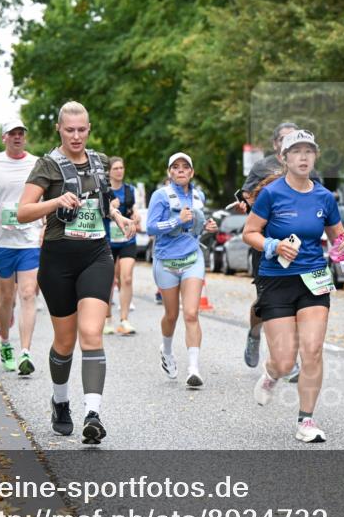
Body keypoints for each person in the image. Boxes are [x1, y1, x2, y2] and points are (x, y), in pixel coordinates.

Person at [17, 101, 135, 444]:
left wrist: (118, 217)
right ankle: (60, 401)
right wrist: (56, 202)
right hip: (58, 261)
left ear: (89, 128)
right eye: (69, 130)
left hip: (97, 256)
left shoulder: (99, 162)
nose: (76, 136)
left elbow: (104, 200)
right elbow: (23, 211)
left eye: (82, 129)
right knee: (65, 342)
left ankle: (92, 414)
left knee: (91, 333)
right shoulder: (48, 165)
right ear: (59, 129)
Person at [242, 130, 344, 443]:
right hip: (276, 280)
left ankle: (306, 420)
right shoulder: (271, 194)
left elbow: (338, 237)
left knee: (312, 350)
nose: (303, 157)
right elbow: (249, 232)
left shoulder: (323, 197)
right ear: (284, 158)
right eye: (297, 152)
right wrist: (274, 246)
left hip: (314, 280)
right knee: (283, 360)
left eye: (309, 151)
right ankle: (271, 373)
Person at [0, 119, 43, 375]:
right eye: (12, 133)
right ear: (4, 137)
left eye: (21, 133)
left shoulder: (37, 163)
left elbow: (45, 197)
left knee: (27, 293)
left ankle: (25, 352)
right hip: (0, 242)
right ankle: (5, 341)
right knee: (6, 298)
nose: (17, 137)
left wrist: (44, 227)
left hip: (28, 241)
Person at [238, 122, 304, 377]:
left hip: (297, 244)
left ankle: (288, 360)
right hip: (264, 243)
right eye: (285, 139)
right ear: (276, 144)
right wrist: (246, 206)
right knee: (268, 302)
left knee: (296, 302)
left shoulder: (305, 166)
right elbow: (245, 194)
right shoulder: (262, 167)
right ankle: (255, 332)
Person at [146, 153, 217, 387]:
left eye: (185, 167)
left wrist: (208, 227)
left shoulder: (199, 196)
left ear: (192, 172)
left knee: (191, 313)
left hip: (192, 258)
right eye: (175, 167)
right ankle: (166, 350)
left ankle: (193, 369)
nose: (180, 170)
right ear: (170, 172)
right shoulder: (160, 195)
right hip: (166, 260)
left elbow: (197, 228)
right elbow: (150, 228)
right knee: (171, 315)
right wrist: (177, 221)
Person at [102, 156, 140, 336]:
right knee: (108, 281)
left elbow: (134, 209)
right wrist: (109, 207)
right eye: (115, 168)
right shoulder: (103, 190)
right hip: (107, 240)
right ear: (108, 171)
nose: (119, 171)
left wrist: (137, 216)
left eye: (121, 168)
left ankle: (124, 320)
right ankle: (107, 318)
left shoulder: (129, 190)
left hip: (127, 241)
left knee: (126, 278)